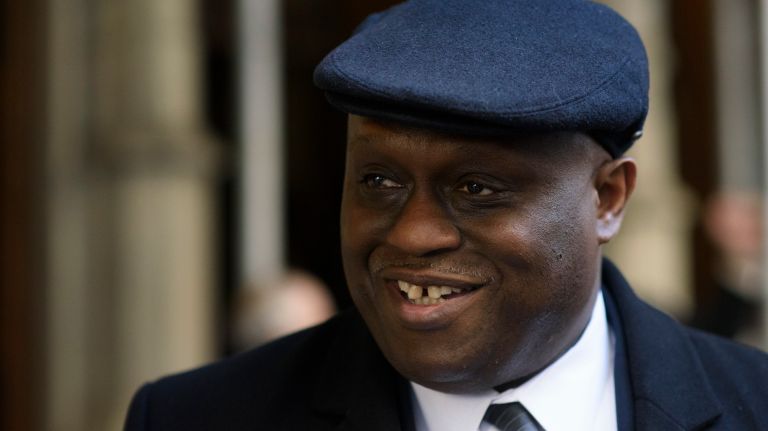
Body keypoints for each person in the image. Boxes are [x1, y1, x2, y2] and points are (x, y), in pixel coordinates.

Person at [124, 1, 768, 430]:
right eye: (379, 180)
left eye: (478, 189)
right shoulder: (197, 417)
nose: (413, 232)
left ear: (606, 199)